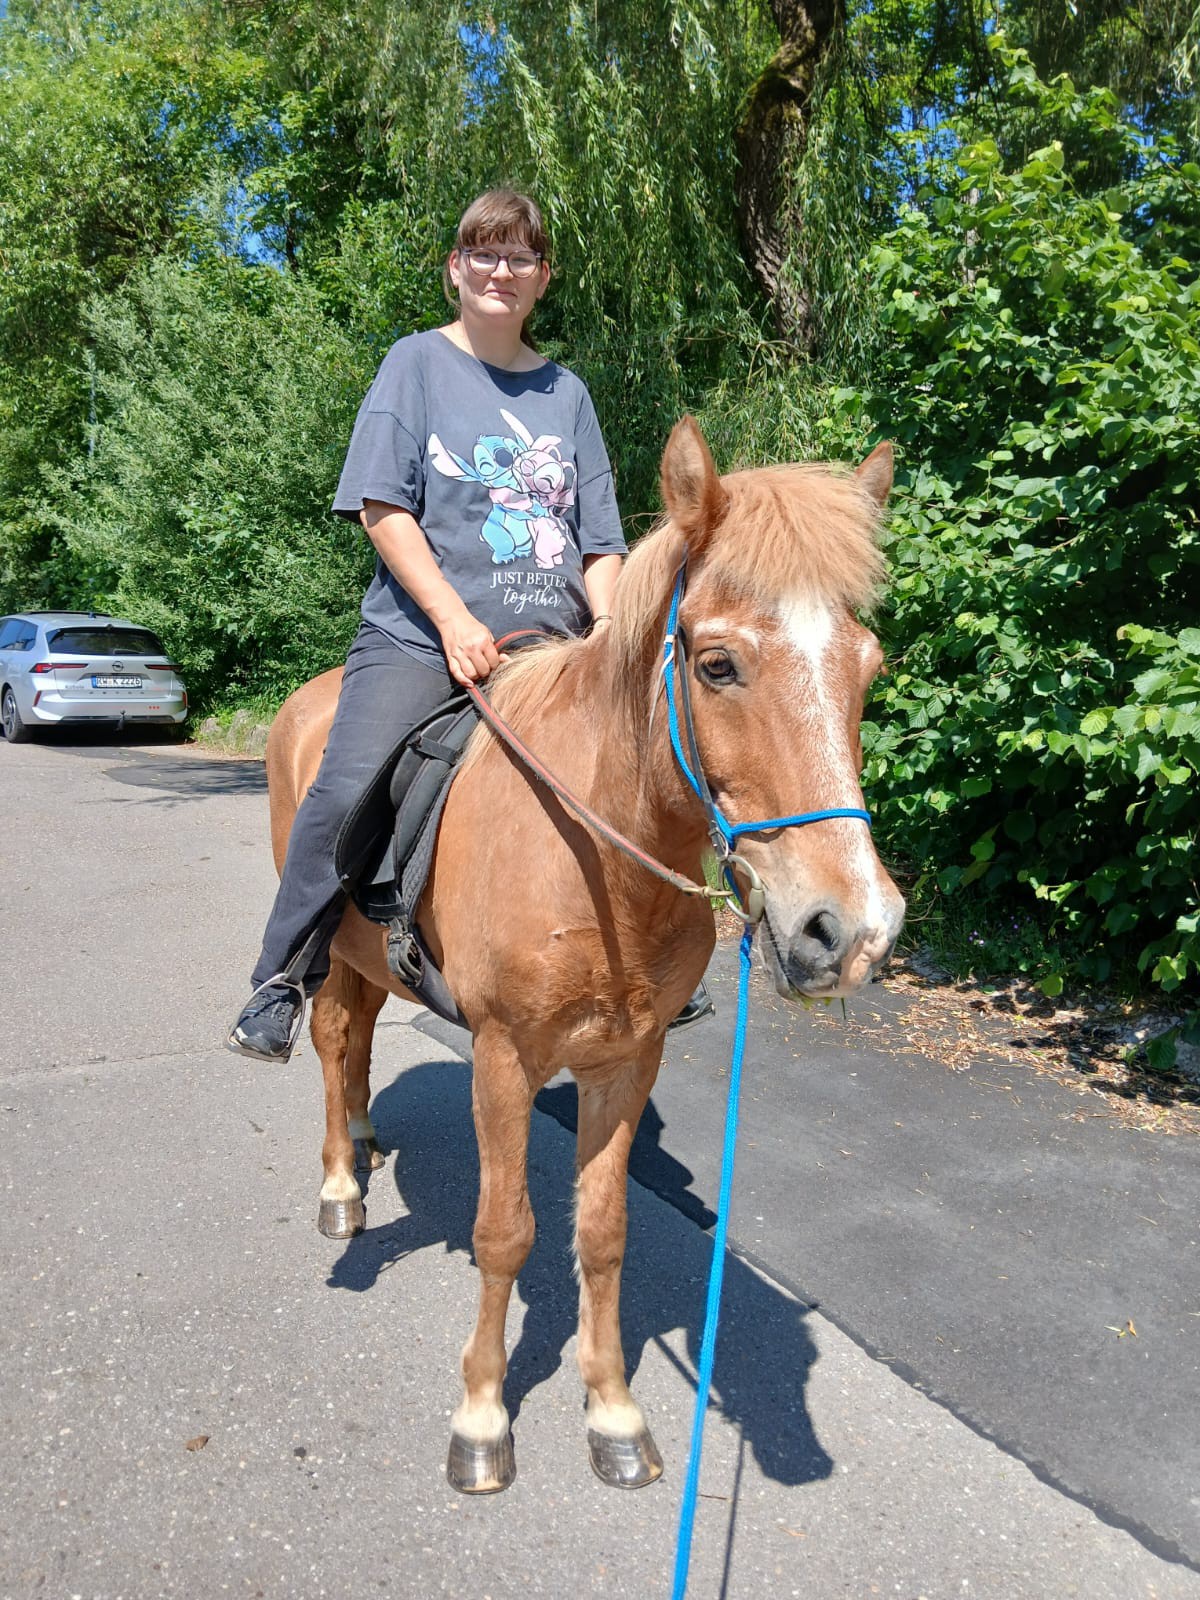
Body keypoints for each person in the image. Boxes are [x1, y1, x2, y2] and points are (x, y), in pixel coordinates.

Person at [228, 188, 711, 1063]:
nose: (501, 270)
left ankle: (665, 964)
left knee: (659, 765)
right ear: (456, 269)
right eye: (483, 254)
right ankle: (282, 975)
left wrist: (609, 632)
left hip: (555, 646)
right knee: (343, 790)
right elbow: (383, 508)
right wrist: (452, 621)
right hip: (421, 637)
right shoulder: (414, 365)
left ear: (542, 278)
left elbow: (599, 541)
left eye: (519, 257)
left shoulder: (567, 394)